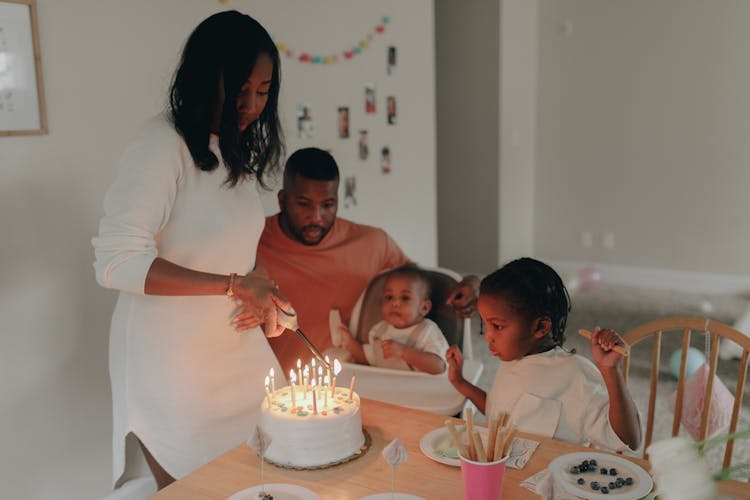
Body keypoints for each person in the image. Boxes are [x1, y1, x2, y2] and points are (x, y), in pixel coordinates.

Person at [92, 11, 287, 490]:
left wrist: (262, 288)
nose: (251, 104)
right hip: (171, 366)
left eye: (263, 92)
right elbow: (116, 263)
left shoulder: (235, 150)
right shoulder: (161, 144)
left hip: (235, 353)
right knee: (199, 488)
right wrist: (233, 286)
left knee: (272, 473)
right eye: (240, 90)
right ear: (206, 80)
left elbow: (238, 252)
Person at [248, 147, 479, 373]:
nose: (316, 217)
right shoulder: (252, 240)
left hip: (346, 375)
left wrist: (472, 282)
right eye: (303, 204)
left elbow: (425, 282)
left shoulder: (371, 242)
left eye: (327, 205)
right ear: (282, 200)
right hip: (265, 375)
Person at [446, 258, 641, 451]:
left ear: (540, 327)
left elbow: (628, 440)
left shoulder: (575, 374)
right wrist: (461, 383)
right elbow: (498, 415)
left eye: (497, 326)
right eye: (485, 324)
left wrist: (610, 371)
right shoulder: (512, 359)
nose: (487, 336)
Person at [338, 264, 450, 374]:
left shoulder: (427, 330)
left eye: (405, 298)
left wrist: (404, 352)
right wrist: (349, 343)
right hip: (384, 387)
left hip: (416, 389)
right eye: (389, 297)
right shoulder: (379, 330)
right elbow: (368, 359)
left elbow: (439, 366)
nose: (395, 303)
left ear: (424, 307)